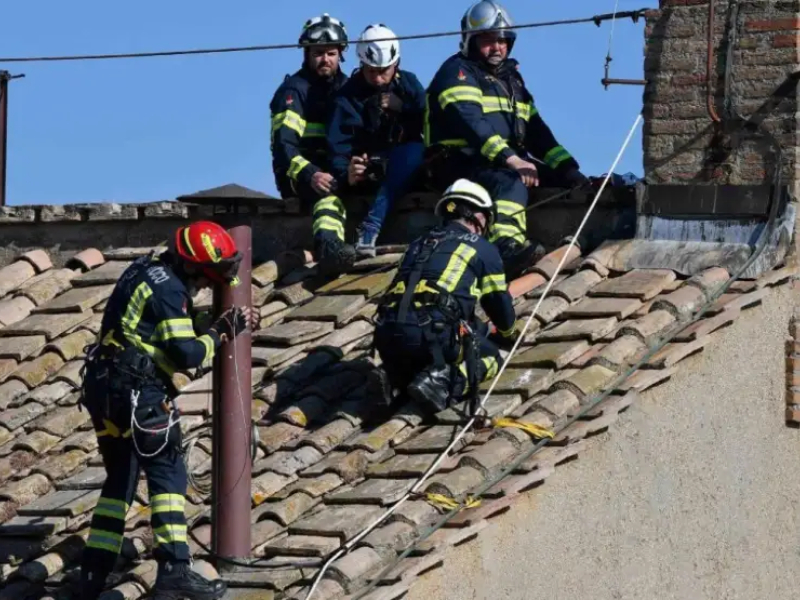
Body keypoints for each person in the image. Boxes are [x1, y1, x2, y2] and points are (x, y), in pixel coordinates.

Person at [78, 221, 258, 600]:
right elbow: (187, 353)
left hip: (104, 391)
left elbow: (160, 328)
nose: (206, 286)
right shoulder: (171, 289)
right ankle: (175, 569)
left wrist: (207, 322)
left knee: (120, 479)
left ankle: (93, 572)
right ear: (191, 266)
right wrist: (221, 332)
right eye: (206, 278)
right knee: (169, 475)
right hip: (138, 394)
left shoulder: (145, 270)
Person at [425, 0, 590, 279]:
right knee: (511, 182)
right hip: (455, 164)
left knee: (558, 181)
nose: (497, 47)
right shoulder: (457, 73)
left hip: (497, 163)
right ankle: (505, 246)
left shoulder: (512, 81)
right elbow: (472, 125)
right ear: (470, 41)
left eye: (502, 40)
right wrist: (511, 159)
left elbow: (537, 132)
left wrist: (569, 170)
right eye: (488, 40)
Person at [374, 178, 519, 414]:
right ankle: (443, 384)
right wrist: (508, 333)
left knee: (422, 348)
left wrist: (481, 328)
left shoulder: (417, 244)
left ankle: (394, 378)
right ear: (478, 216)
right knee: (493, 357)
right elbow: (497, 302)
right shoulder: (483, 248)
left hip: (387, 334)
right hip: (432, 336)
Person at [319, 23, 426, 261]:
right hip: (369, 180)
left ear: (396, 64)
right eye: (370, 71)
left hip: (410, 170)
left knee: (415, 151)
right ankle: (369, 227)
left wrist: (405, 108)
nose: (377, 79)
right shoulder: (345, 99)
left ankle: (372, 224)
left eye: (383, 71)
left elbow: (432, 122)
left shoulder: (409, 85)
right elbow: (337, 150)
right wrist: (347, 173)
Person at [270, 14, 353, 272]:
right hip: (299, 174)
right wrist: (311, 174)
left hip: (337, 168)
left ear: (341, 54)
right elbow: (284, 146)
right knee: (328, 197)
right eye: (318, 53)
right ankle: (329, 247)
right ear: (306, 53)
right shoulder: (294, 91)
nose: (325, 59)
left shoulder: (348, 88)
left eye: (331, 53)